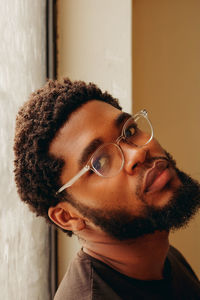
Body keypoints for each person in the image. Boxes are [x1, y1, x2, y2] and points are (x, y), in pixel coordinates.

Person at [14, 78, 200, 300]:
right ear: (68, 216)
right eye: (100, 162)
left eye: (130, 131)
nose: (137, 153)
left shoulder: (160, 258)